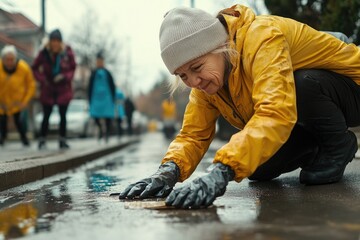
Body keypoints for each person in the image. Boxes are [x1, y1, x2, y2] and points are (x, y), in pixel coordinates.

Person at [118, 5, 360, 209]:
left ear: (219, 46)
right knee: (254, 168)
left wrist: (220, 171)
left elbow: (275, 112)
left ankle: (337, 143)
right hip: (316, 106)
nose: (193, 82)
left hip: (351, 89)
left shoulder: (261, 37)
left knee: (303, 84)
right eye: (182, 76)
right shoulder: (207, 85)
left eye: (196, 67)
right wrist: (168, 171)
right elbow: (193, 134)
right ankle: (313, 145)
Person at [32, 29, 76, 149]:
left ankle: (62, 139)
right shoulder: (44, 52)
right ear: (50, 42)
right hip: (48, 87)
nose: (55, 43)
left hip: (63, 87)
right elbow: (34, 68)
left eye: (57, 41)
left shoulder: (68, 53)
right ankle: (42, 139)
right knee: (46, 114)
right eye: (53, 41)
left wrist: (65, 76)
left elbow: (73, 68)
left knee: (63, 114)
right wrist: (42, 79)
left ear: (61, 42)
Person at [0, 45, 36, 146]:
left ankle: (24, 139)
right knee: (2, 121)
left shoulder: (24, 68)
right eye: (7, 59)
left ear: (15, 59)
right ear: (3, 59)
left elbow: (31, 85)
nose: (10, 62)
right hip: (2, 103)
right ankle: (2, 139)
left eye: (12, 59)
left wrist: (25, 101)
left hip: (18, 103)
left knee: (20, 122)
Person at [88, 52, 116, 142]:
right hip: (96, 97)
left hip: (107, 97)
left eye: (101, 61)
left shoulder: (108, 73)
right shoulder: (93, 73)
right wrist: (89, 98)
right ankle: (100, 129)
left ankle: (107, 133)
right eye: (98, 61)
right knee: (94, 115)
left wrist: (113, 97)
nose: (99, 63)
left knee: (108, 116)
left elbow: (112, 86)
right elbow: (89, 86)